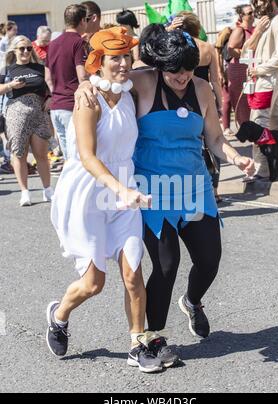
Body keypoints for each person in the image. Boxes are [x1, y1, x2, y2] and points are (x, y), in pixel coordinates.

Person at [76, 24, 255, 364]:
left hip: (195, 189)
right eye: (175, 71)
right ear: (160, 65)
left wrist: (235, 157)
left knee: (209, 262)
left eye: (188, 69)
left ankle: (192, 301)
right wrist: (84, 84)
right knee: (166, 264)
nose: (182, 76)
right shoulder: (142, 82)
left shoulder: (201, 89)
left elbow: (215, 139)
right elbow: (107, 83)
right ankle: (153, 336)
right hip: (153, 192)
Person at [46, 27, 162, 373]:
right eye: (115, 57)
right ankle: (59, 314)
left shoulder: (131, 91)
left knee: (133, 274)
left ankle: (137, 344)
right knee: (94, 284)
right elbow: (87, 156)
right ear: (99, 61)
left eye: (127, 56)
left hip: (124, 192)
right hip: (89, 193)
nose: (124, 63)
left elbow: (169, 68)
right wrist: (121, 189)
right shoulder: (88, 99)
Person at [168, 11, 223, 203]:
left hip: (181, 98)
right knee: (213, 142)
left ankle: (193, 186)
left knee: (190, 143)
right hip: (206, 97)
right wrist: (220, 105)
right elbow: (216, 80)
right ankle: (214, 189)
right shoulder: (207, 47)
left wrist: (167, 31)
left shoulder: (173, 47)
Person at [0, 36, 53, 206]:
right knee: (19, 153)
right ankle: (25, 192)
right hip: (16, 113)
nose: (25, 52)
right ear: (14, 50)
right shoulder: (7, 69)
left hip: (38, 112)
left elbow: (51, 86)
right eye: (21, 48)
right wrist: (10, 86)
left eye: (29, 48)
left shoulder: (40, 67)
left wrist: (51, 98)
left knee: (41, 154)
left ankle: (47, 190)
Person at [243, 0, 278, 178]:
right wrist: (257, 32)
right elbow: (245, 51)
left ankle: (262, 169)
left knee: (259, 124)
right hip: (265, 81)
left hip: (267, 82)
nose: (258, 3)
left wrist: (260, 69)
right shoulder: (266, 21)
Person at [45, 4, 89, 160]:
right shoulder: (78, 43)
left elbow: (48, 78)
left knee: (69, 160)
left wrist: (57, 95)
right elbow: (82, 76)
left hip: (56, 107)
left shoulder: (52, 44)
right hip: (72, 106)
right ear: (83, 20)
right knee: (79, 158)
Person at [227, 4, 255, 126]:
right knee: (243, 103)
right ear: (241, 16)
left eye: (253, 12)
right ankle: (246, 129)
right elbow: (231, 49)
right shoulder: (239, 30)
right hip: (239, 70)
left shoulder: (255, 29)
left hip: (251, 68)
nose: (252, 15)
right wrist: (247, 54)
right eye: (249, 13)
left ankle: (254, 129)